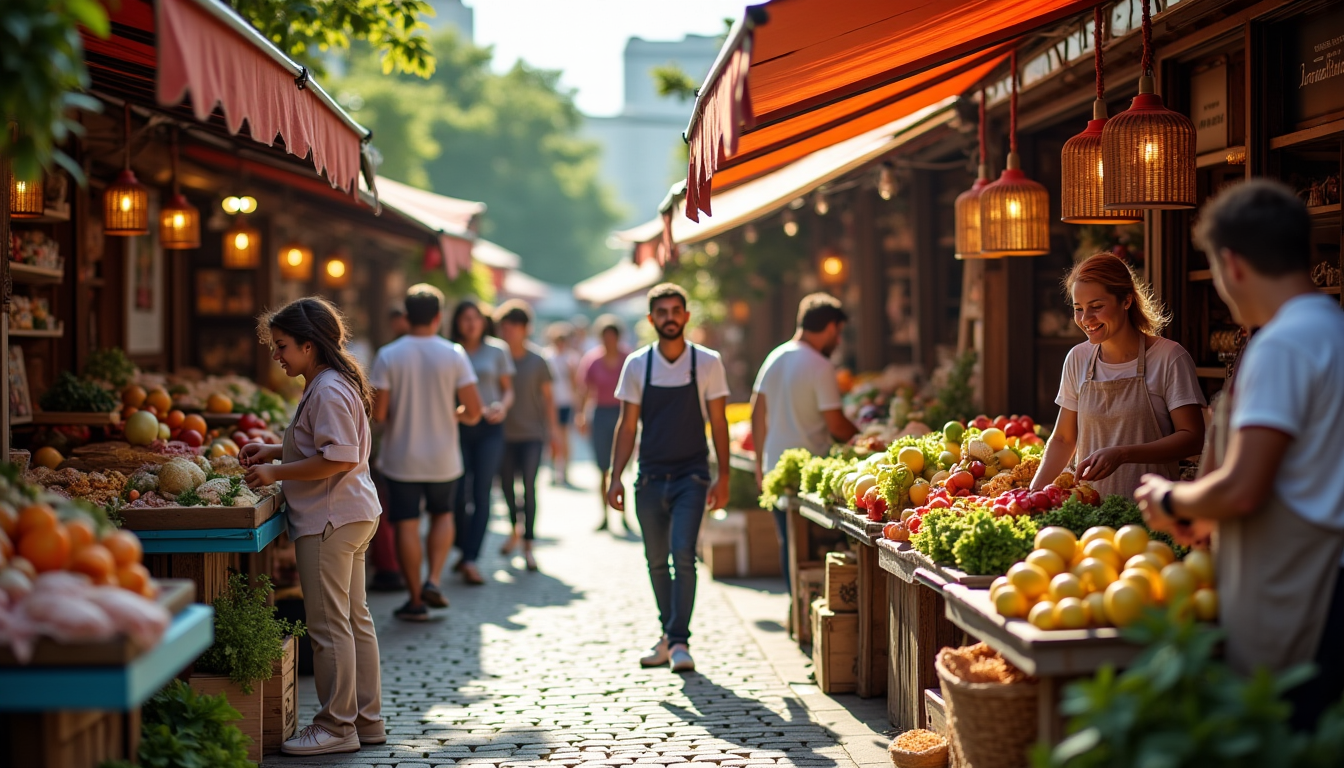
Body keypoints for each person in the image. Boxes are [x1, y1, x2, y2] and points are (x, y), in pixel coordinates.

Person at [1137, 180, 1344, 730]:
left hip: (1303, 593)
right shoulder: (1331, 329)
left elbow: (1244, 487)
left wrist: (1172, 499)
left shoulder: (1283, 344)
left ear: (1231, 264)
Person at [242, 297, 383, 756]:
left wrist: (276, 471)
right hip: (350, 514)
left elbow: (337, 458)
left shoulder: (326, 389)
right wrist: (275, 450)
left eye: (282, 345)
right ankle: (366, 720)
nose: (276, 355)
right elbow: (324, 448)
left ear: (309, 345)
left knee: (328, 627)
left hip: (329, 519)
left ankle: (336, 725)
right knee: (354, 621)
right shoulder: (331, 382)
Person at [608, 284, 731, 673]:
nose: (670, 318)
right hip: (648, 478)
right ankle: (669, 635)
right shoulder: (637, 365)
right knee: (656, 561)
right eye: (662, 312)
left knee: (683, 554)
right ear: (651, 319)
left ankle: (678, 641)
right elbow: (627, 426)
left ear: (686, 316)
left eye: (676, 310)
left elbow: (719, 422)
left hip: (691, 476)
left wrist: (724, 475)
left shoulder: (707, 362)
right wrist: (615, 477)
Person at [1030, 252, 1205, 498]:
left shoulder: (1169, 358)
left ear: (1126, 300)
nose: (1085, 319)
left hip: (1150, 510)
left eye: (1096, 307)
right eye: (1078, 309)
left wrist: (1123, 454)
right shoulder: (1078, 358)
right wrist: (1032, 494)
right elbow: (1063, 440)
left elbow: (1193, 438)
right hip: (1089, 511)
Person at [370, 285, 483, 621]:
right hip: (443, 457)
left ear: (406, 317)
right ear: (438, 317)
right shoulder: (454, 353)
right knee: (442, 515)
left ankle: (415, 599)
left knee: (406, 523)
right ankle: (433, 579)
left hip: (401, 456)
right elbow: (474, 411)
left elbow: (379, 413)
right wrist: (454, 413)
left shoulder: (388, 354)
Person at [751, 294, 858, 582]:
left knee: (789, 544)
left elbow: (756, 412)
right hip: (810, 476)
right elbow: (836, 424)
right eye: (839, 333)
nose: (839, 341)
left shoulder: (774, 357)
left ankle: (794, 604)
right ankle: (807, 607)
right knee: (813, 551)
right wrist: (862, 437)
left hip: (775, 469)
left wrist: (760, 464)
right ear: (831, 327)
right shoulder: (819, 365)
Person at [450, 300, 514, 586]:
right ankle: (463, 547)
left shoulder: (498, 350)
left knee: (482, 492)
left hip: (490, 428)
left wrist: (503, 406)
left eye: (476, 317)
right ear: (457, 322)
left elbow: (508, 390)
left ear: (484, 321)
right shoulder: (451, 351)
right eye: (465, 318)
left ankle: (471, 558)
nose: (471, 323)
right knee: (457, 494)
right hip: (459, 427)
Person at [497, 301, 561, 571]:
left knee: (530, 488)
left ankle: (528, 545)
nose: (509, 331)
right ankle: (515, 528)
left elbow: (548, 399)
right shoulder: (497, 357)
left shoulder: (538, 360)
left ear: (525, 328)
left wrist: (554, 433)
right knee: (506, 487)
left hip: (532, 434)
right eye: (505, 326)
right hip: (502, 435)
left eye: (515, 326)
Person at [368, 304, 413, 593]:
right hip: (424, 449)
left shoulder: (389, 355)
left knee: (387, 509)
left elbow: (380, 412)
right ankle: (404, 572)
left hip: (393, 446)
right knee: (406, 515)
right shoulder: (443, 352)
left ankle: (390, 568)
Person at [576, 315, 630, 532]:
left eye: (612, 337)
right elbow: (584, 390)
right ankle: (605, 516)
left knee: (623, 467)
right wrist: (581, 415)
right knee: (603, 468)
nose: (608, 341)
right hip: (600, 414)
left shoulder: (628, 359)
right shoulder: (593, 360)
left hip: (623, 414)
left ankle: (625, 516)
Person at [543, 321, 578, 487]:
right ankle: (552, 470)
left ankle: (565, 471)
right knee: (552, 436)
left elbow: (576, 383)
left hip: (566, 402)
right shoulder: (546, 356)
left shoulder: (571, 358)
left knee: (564, 437)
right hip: (550, 402)